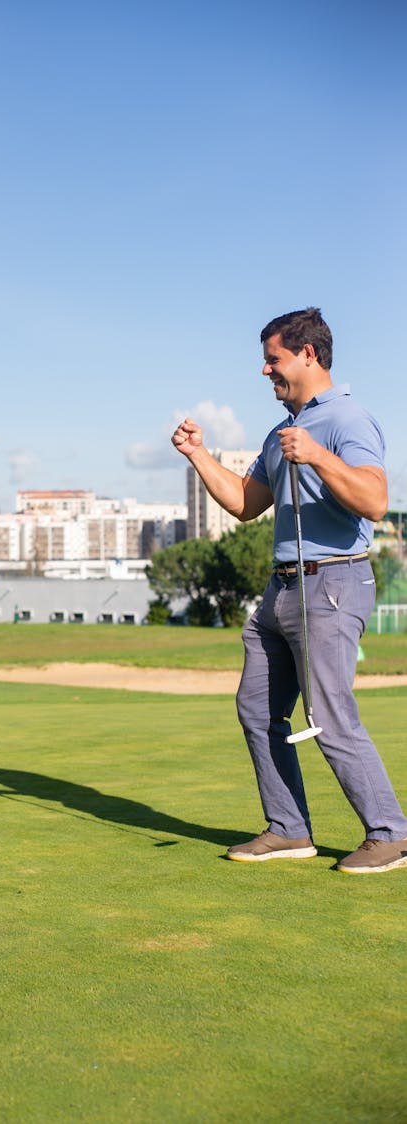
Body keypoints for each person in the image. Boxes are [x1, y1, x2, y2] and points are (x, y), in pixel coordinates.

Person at [172, 308, 407, 874]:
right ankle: (289, 829)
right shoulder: (281, 432)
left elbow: (375, 502)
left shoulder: (347, 419)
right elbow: (246, 504)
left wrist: (319, 456)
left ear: (307, 355)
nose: (264, 370)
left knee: (327, 713)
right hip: (279, 592)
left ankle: (391, 834)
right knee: (256, 709)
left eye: (272, 358)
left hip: (332, 584)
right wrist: (199, 454)